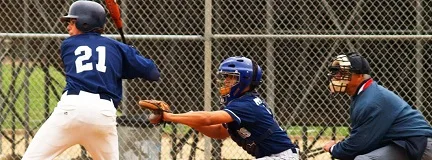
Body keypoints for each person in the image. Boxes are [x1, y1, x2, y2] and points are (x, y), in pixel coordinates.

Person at [22, 1, 160, 159]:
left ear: (85, 22)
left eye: (72, 22)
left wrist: (124, 55)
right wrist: (130, 54)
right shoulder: (118, 47)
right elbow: (153, 73)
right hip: (103, 115)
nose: (68, 27)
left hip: (71, 111)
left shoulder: (68, 45)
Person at [147, 56, 299, 159]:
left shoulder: (246, 105)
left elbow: (208, 118)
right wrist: (187, 120)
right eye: (225, 77)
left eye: (231, 77)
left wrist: (169, 116)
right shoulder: (242, 102)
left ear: (244, 80)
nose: (226, 81)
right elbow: (219, 132)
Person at [323, 52, 432, 160]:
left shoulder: (371, 100)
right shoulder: (364, 94)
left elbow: (359, 145)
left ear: (360, 75)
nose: (337, 76)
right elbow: (361, 139)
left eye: (343, 73)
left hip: (418, 145)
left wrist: (334, 148)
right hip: (402, 143)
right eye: (336, 72)